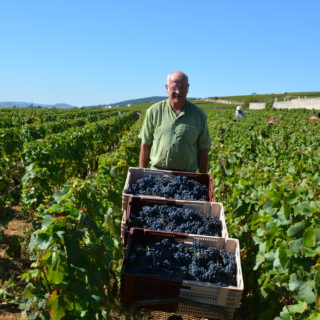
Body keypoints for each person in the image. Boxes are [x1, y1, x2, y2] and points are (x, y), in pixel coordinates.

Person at [138, 71, 211, 173]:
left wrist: (204, 177)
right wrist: (141, 174)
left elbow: (203, 149)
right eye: (174, 87)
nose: (178, 92)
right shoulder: (154, 111)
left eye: (182, 87)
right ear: (167, 88)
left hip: (188, 175)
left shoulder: (199, 115)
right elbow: (145, 144)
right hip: (157, 173)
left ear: (188, 88)